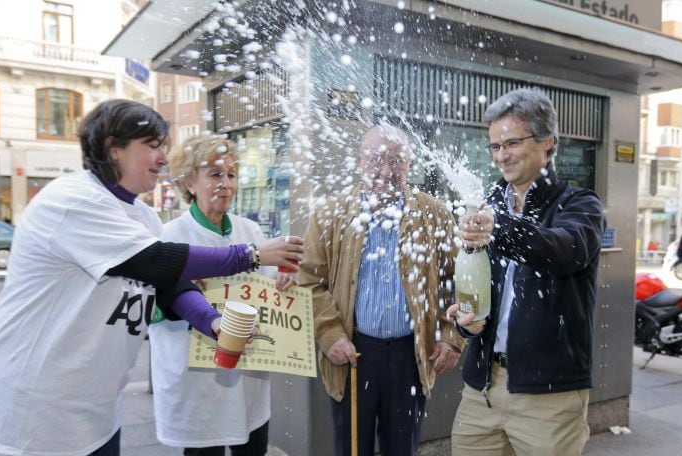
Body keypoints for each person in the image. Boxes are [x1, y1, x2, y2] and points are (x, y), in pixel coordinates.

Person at [0, 99, 303, 456]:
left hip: (95, 404)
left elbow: (169, 285)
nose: (163, 159)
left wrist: (213, 322)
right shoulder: (72, 200)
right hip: (38, 404)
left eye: (164, 148)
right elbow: (156, 260)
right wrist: (250, 255)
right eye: (153, 146)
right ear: (114, 150)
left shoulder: (142, 216)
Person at [448, 88, 606, 456]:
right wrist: (467, 322)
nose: (502, 156)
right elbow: (477, 283)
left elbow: (562, 250)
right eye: (495, 146)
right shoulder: (488, 204)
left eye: (512, 143)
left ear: (547, 141)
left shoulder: (580, 204)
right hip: (482, 389)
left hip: (549, 397)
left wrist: (498, 229)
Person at [300, 124, 464, 456]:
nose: (387, 171)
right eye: (377, 160)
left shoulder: (434, 214)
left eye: (397, 161)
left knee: (402, 448)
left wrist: (452, 336)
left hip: (411, 354)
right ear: (360, 162)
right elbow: (309, 281)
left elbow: (457, 280)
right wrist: (330, 334)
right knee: (352, 448)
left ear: (410, 165)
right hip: (353, 352)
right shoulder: (331, 214)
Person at [150, 135, 294, 456]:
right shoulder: (171, 236)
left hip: (247, 378)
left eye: (231, 174)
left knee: (253, 445)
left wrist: (286, 276)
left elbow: (269, 290)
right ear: (190, 181)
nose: (225, 183)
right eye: (215, 174)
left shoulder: (250, 231)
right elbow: (159, 305)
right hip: (198, 382)